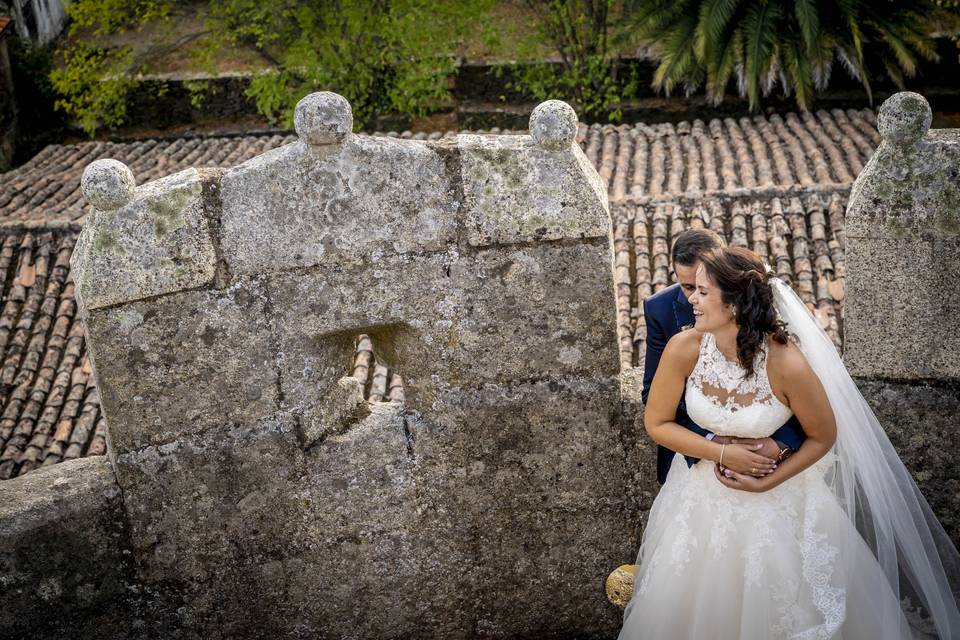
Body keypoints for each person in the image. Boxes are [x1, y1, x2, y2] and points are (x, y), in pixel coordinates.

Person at [619, 246, 960, 639]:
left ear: (733, 304)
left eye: (702, 292)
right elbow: (657, 422)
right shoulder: (685, 348)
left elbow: (823, 435)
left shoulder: (786, 363)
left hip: (782, 505)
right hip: (697, 500)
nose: (690, 299)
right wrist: (723, 452)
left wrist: (769, 480)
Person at [642, 229, 805, 486]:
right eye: (686, 286)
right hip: (698, 466)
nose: (692, 297)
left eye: (701, 287)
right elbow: (652, 394)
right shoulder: (659, 311)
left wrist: (779, 446)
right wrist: (714, 445)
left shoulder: (765, 304)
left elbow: (804, 394)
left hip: (772, 465)